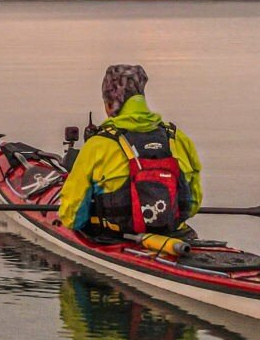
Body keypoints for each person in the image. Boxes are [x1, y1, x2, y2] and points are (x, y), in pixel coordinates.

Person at [57, 64, 202, 241]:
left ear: (111, 103)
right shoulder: (177, 137)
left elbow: (72, 217)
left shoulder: (98, 144)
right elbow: (193, 203)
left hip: (114, 238)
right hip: (174, 235)